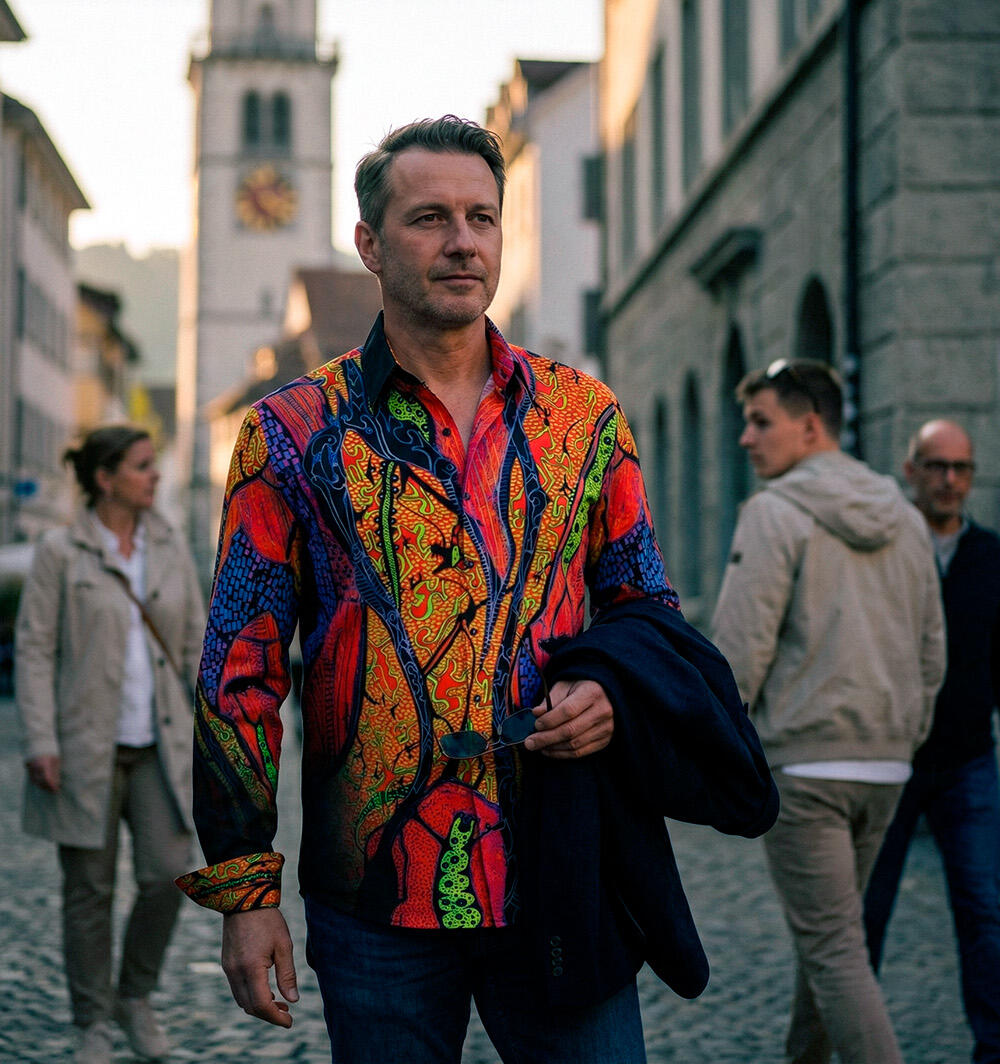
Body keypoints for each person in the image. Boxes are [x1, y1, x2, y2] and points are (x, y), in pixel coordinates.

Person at [177, 115, 778, 1064]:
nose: (463, 241)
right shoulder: (289, 434)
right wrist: (246, 894)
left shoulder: (584, 418)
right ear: (371, 245)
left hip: (559, 866)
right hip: (374, 896)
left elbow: (645, 611)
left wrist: (610, 694)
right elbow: (238, 675)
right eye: (430, 218)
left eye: (482, 218)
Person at [711, 359, 945, 1064]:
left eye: (761, 422)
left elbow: (736, 656)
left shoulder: (773, 513)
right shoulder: (906, 520)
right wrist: (904, 731)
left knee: (836, 950)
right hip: (886, 764)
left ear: (810, 426)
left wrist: (717, 758)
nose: (746, 439)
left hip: (809, 767)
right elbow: (932, 648)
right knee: (835, 942)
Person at [15, 426, 205, 1064]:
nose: (154, 477)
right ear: (105, 478)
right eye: (142, 467)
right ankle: (92, 1021)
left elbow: (194, 649)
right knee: (88, 892)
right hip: (83, 746)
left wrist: (213, 731)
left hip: (159, 744)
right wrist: (41, 741)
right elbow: (36, 652)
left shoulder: (171, 545)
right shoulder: (59, 553)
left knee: (168, 874)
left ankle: (135, 996)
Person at [864, 419, 1000, 1062]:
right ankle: (854, 1043)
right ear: (911, 470)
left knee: (985, 911)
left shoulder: (992, 558)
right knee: (865, 915)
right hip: (889, 760)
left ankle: (993, 1046)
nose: (951, 481)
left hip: (968, 763)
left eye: (962, 469)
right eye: (937, 466)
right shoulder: (884, 551)